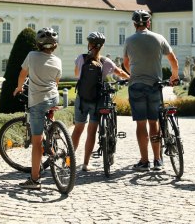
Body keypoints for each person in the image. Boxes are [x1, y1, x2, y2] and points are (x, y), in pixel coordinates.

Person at [122, 10, 179, 171]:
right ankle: (157, 160)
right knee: (154, 122)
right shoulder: (159, 38)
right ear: (148, 23)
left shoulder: (129, 40)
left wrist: (134, 74)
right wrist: (174, 76)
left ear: (134, 24)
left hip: (136, 85)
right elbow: (173, 60)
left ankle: (144, 161)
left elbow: (125, 63)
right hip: (154, 85)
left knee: (141, 123)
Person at [71, 31, 129, 172]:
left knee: (78, 130)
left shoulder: (81, 58)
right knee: (91, 132)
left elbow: (76, 74)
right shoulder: (105, 62)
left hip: (82, 99)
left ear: (89, 45)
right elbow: (120, 73)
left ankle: (68, 161)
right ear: (101, 46)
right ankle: (85, 164)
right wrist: (130, 77)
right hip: (97, 100)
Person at [13, 27, 62, 190]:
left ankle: (34, 180)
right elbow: (56, 82)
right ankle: (53, 133)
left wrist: (19, 88)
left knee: (36, 142)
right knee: (50, 108)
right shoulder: (58, 60)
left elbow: (22, 74)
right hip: (53, 98)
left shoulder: (32, 56)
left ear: (38, 44)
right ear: (55, 45)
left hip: (38, 101)